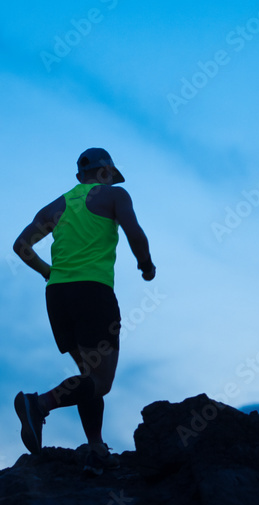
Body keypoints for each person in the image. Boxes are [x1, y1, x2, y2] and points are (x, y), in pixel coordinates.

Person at [12, 148, 155, 475]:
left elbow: (21, 246)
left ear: (80, 177)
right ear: (106, 173)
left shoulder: (57, 206)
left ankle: (96, 447)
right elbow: (134, 232)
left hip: (58, 295)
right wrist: (146, 265)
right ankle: (40, 404)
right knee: (101, 381)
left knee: (90, 377)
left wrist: (49, 272)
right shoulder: (115, 196)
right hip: (93, 292)